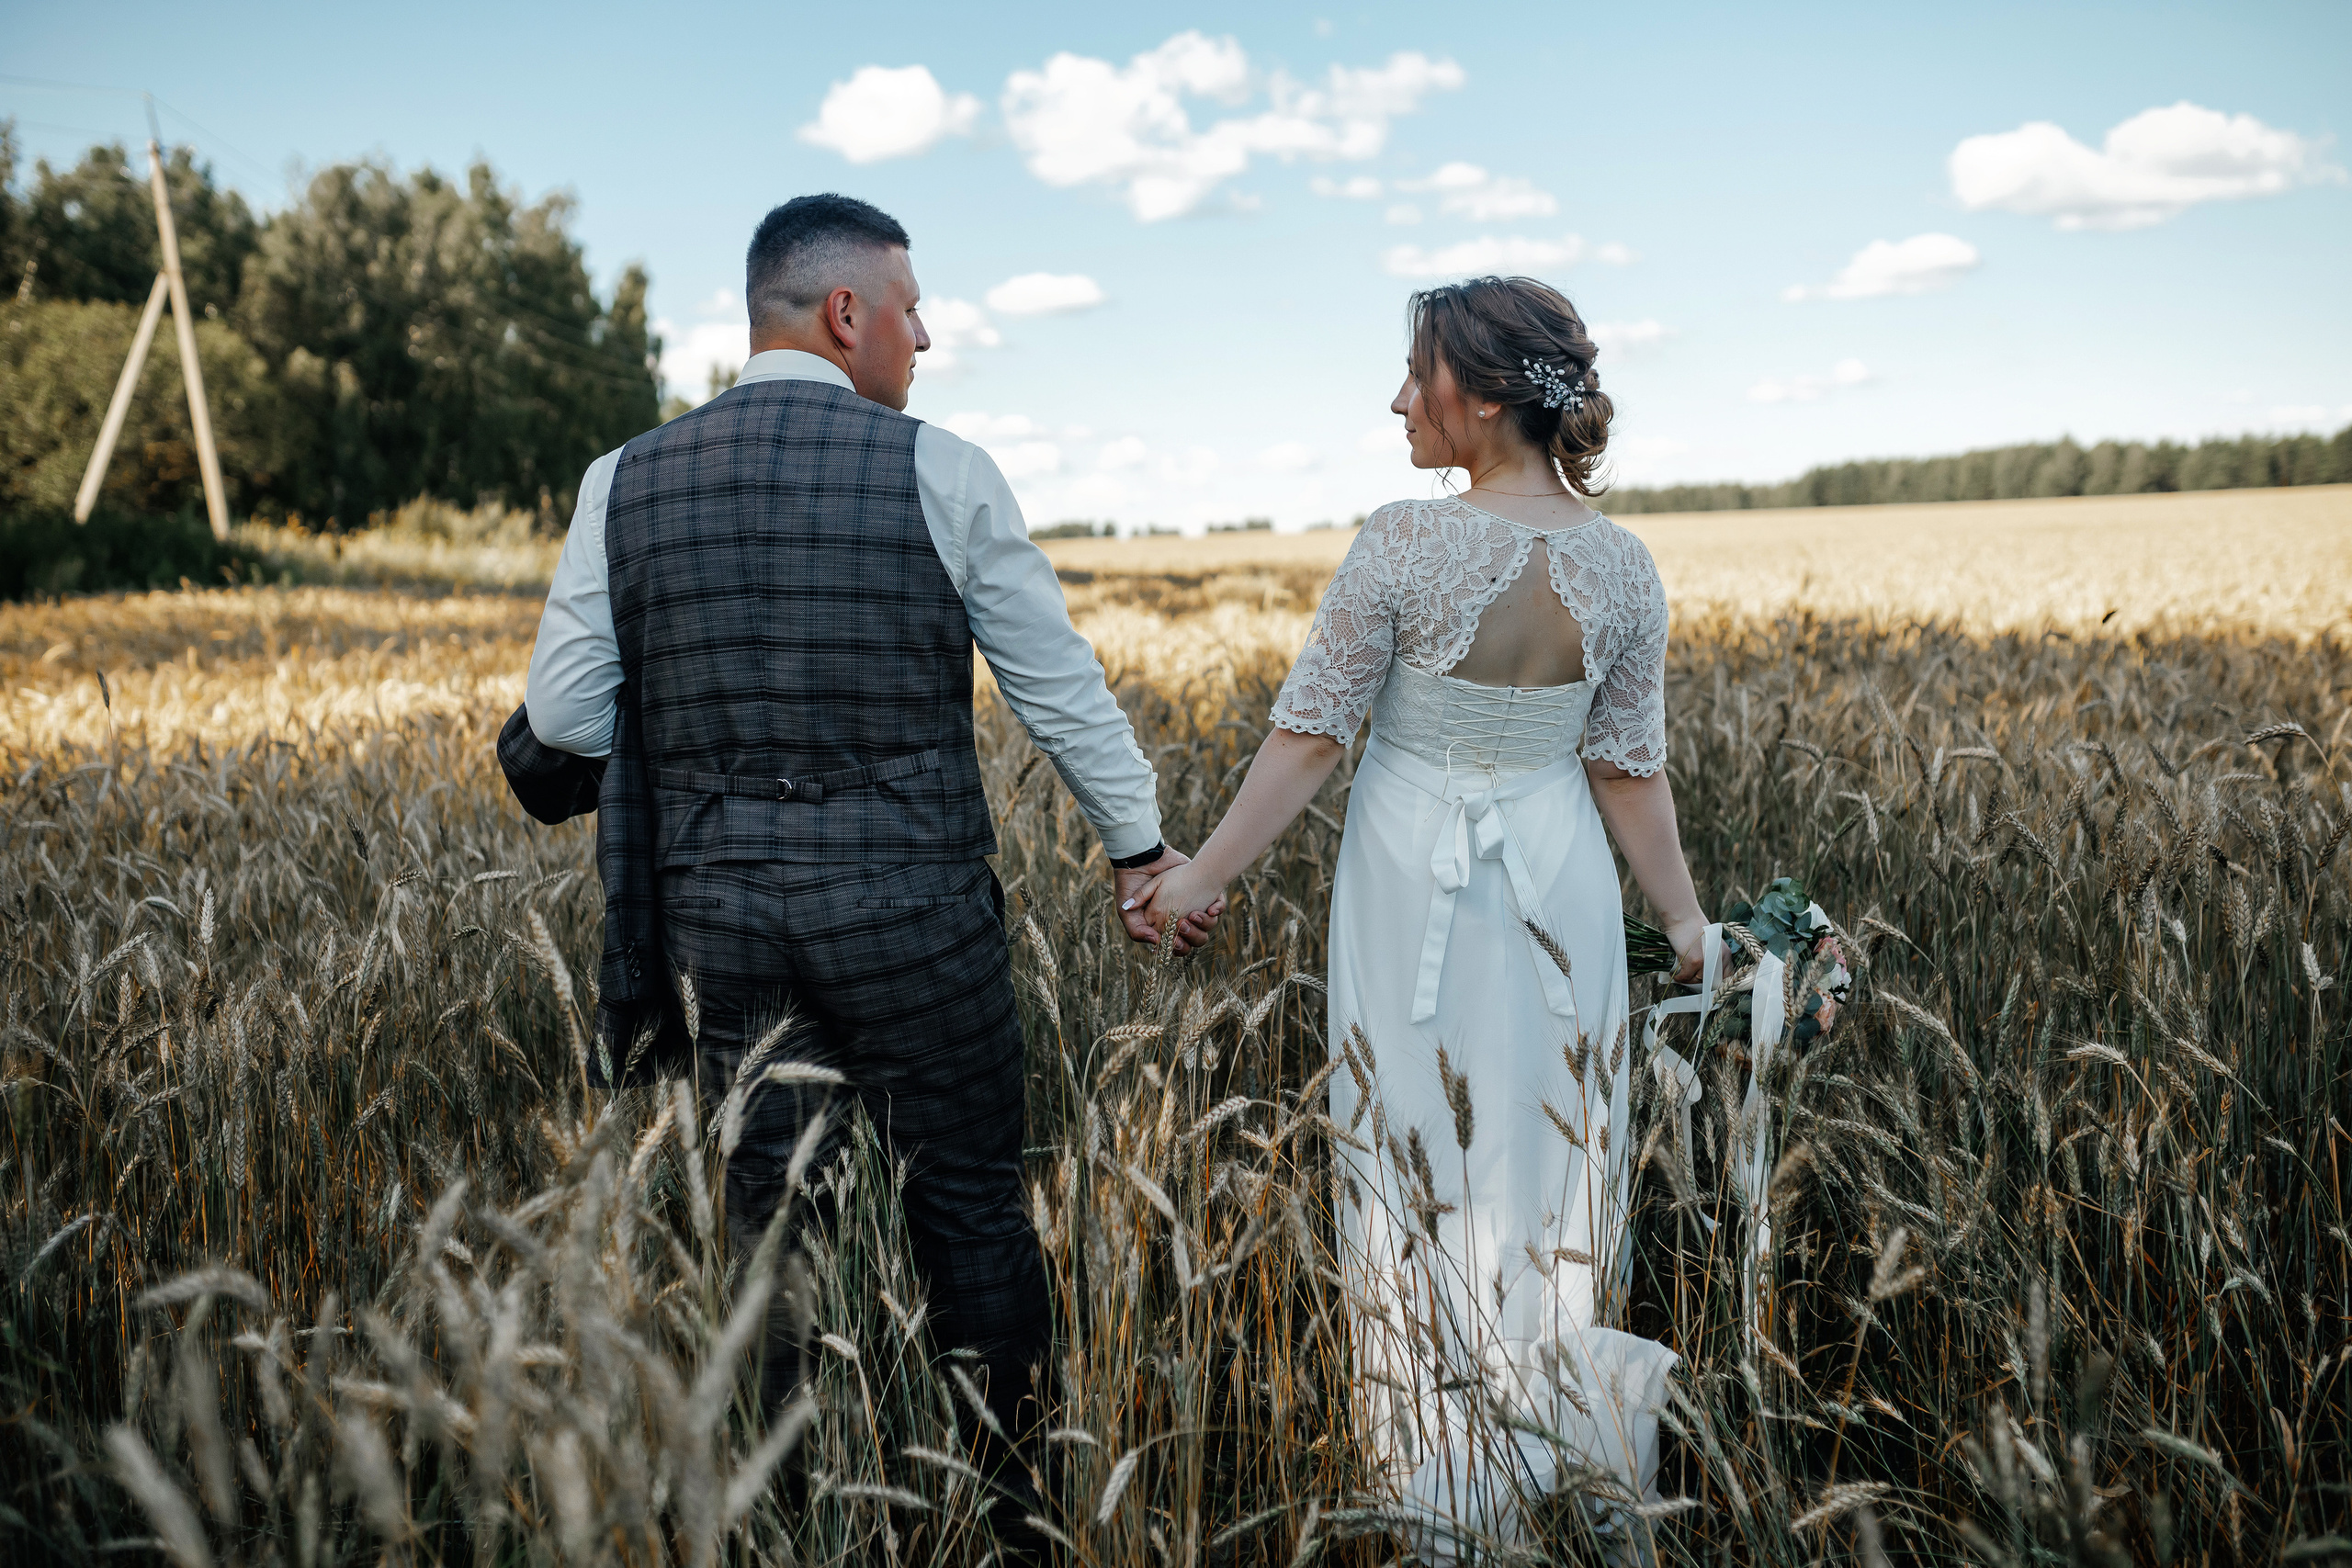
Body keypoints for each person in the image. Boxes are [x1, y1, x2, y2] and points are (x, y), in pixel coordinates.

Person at [518, 193, 1216, 1533]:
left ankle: (791, 1526)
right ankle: (1012, 1522)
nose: (927, 336)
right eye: (912, 308)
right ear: (848, 316)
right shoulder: (941, 470)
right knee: (969, 1212)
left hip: (719, 925)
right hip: (918, 921)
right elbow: (1056, 689)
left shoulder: (626, 478)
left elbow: (561, 722)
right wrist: (1140, 849)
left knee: (771, 1237)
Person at [1134, 276, 1703, 1556]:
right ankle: (1567, 1463)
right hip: (1559, 885)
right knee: (1554, 1169)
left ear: (1486, 396)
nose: (1399, 396)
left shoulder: (1400, 540)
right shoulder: (1623, 565)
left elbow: (1310, 736)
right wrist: (1685, 922)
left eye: (1419, 373)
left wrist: (1203, 876)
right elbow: (1628, 768)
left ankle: (1443, 1490)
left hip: (1410, 885)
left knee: (1413, 1162)